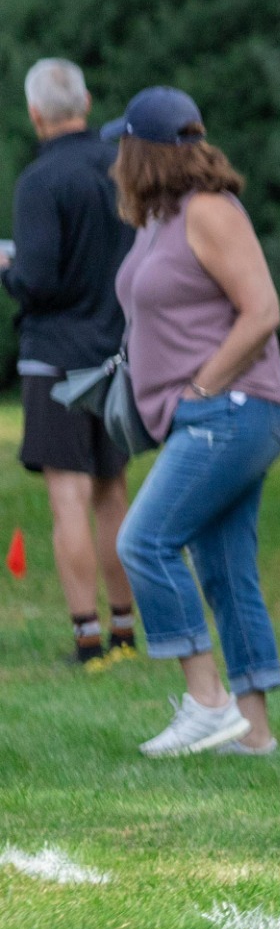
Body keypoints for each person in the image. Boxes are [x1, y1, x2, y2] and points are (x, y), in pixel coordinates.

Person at [110, 87, 280, 759]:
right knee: (223, 570)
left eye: (121, 147)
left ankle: (207, 701)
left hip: (235, 408)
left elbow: (263, 311)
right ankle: (255, 734)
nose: (114, 161)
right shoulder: (160, 217)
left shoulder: (212, 212)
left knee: (145, 542)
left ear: (143, 152)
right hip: (208, 414)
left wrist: (199, 386)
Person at [2, 58, 138, 666]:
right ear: (86, 102)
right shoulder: (120, 169)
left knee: (68, 498)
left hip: (55, 357)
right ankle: (126, 631)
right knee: (113, 493)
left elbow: (38, 279)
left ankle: (86, 639)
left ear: (35, 114)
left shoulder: (39, 181)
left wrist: (10, 271)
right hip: (116, 352)